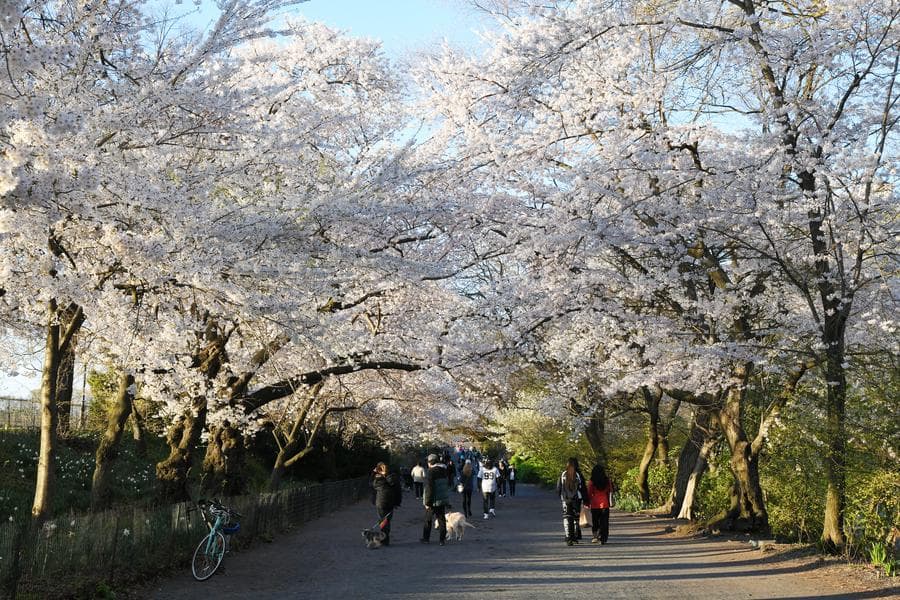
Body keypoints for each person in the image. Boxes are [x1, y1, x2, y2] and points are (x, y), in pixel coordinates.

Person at [556, 457, 587, 546]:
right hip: (577, 498)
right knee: (576, 518)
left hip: (566, 499)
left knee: (567, 517)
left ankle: (568, 536)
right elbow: (583, 488)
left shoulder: (563, 474)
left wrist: (561, 496)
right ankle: (575, 536)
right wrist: (585, 500)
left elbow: (559, 487)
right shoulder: (578, 474)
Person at [421, 453, 450, 545]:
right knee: (441, 519)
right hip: (442, 499)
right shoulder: (444, 470)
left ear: (430, 462)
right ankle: (442, 539)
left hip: (433, 500)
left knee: (428, 519)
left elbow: (429, 488)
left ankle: (426, 538)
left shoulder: (431, 472)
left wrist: (427, 502)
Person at [370, 462, 401, 546]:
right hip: (391, 502)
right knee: (387, 520)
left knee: (383, 521)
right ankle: (385, 538)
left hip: (380, 502)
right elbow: (398, 490)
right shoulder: (393, 477)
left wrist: (373, 473)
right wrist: (397, 502)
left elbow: (371, 484)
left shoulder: (377, 479)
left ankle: (384, 539)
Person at [587, 464, 613, 544]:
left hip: (594, 504)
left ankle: (595, 536)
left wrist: (587, 503)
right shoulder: (607, 480)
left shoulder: (591, 481)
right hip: (605, 504)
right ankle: (603, 538)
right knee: (604, 522)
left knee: (595, 522)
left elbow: (589, 493)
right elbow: (611, 490)